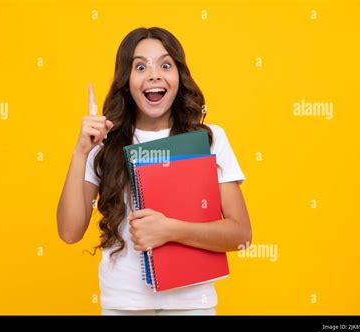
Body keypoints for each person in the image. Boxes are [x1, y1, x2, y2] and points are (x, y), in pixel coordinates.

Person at [57, 27, 252, 315]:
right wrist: (80, 152)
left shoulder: (209, 138)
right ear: (126, 82)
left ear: (178, 77)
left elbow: (241, 235)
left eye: (165, 64)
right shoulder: (103, 142)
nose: (154, 75)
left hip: (191, 305)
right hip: (124, 305)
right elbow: (69, 232)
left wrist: (169, 230)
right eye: (140, 66)